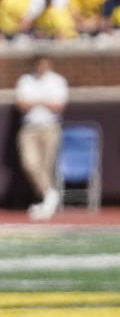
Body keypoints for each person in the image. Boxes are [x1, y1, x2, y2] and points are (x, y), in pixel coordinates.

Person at [15, 54, 68, 220]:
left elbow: (58, 105)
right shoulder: (25, 80)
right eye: (39, 64)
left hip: (50, 127)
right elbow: (22, 104)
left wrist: (37, 101)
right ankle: (50, 194)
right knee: (30, 163)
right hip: (29, 128)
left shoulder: (58, 80)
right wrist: (44, 101)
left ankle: (45, 203)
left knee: (46, 166)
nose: (42, 67)